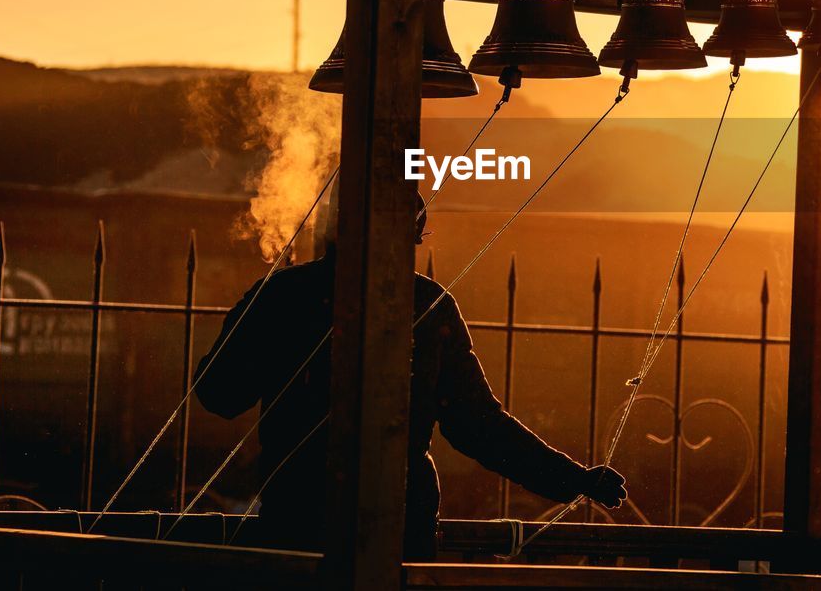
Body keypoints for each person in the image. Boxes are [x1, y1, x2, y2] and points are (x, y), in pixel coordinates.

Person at [194, 189, 625, 558]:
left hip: (300, 514)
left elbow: (220, 395)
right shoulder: (428, 303)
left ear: (327, 226)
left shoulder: (286, 295)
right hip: (401, 521)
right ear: (414, 233)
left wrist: (262, 307)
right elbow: (476, 425)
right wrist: (572, 479)